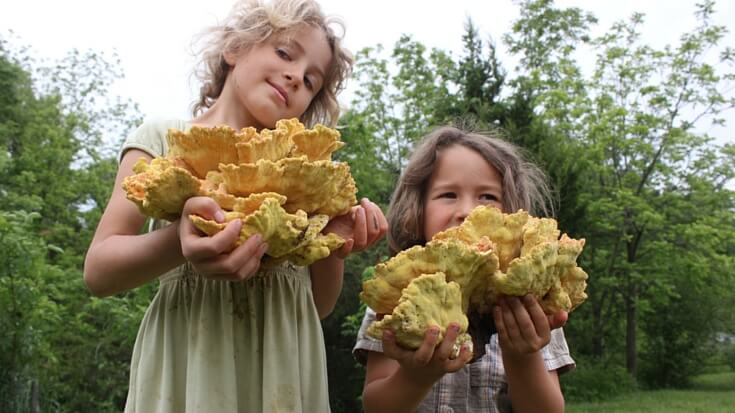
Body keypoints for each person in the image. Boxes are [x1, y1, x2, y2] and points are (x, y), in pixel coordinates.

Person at [83, 1, 388, 412]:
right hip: (188, 361)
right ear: (234, 48)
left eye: (312, 80)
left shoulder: (310, 174)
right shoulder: (162, 140)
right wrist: (180, 240)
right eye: (284, 52)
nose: (296, 76)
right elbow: (99, 272)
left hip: (283, 366)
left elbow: (316, 305)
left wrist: (334, 245)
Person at [353, 126, 575, 413]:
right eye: (448, 194)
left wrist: (521, 356)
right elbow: (376, 407)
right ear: (418, 211)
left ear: (514, 216)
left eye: (488, 197)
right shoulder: (397, 299)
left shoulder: (533, 303)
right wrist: (416, 377)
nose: (468, 211)